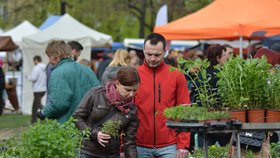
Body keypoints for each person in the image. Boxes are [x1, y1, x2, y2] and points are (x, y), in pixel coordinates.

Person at [134, 33, 191, 158]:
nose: (153, 58)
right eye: (149, 54)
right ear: (143, 51)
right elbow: (124, 110)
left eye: (157, 55)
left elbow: (185, 109)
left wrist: (183, 144)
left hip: (169, 145)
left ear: (165, 52)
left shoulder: (176, 75)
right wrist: (123, 145)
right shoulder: (134, 74)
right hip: (139, 144)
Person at [74, 66, 140, 158]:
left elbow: (130, 142)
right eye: (128, 90)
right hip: (88, 152)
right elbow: (77, 117)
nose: (131, 94)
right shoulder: (96, 94)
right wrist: (95, 133)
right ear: (117, 83)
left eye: (135, 90)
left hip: (112, 154)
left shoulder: (131, 109)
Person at [37, 40, 100, 123]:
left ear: (58, 55)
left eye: (50, 56)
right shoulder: (88, 70)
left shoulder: (58, 73)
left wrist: (43, 113)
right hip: (88, 124)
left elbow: (58, 104)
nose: (49, 60)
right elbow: (99, 95)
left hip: (68, 125)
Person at [190, 44, 232, 147]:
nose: (227, 58)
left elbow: (194, 97)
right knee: (226, 152)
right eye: (225, 55)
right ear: (218, 58)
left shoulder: (200, 75)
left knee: (203, 152)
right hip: (222, 124)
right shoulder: (223, 76)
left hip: (202, 123)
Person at [27, 55, 47, 123]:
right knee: (35, 106)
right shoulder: (45, 67)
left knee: (38, 105)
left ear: (36, 60)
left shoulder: (36, 68)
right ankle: (33, 120)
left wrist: (28, 77)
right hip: (43, 88)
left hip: (37, 89)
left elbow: (34, 78)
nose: (34, 62)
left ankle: (48, 113)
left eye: (34, 61)